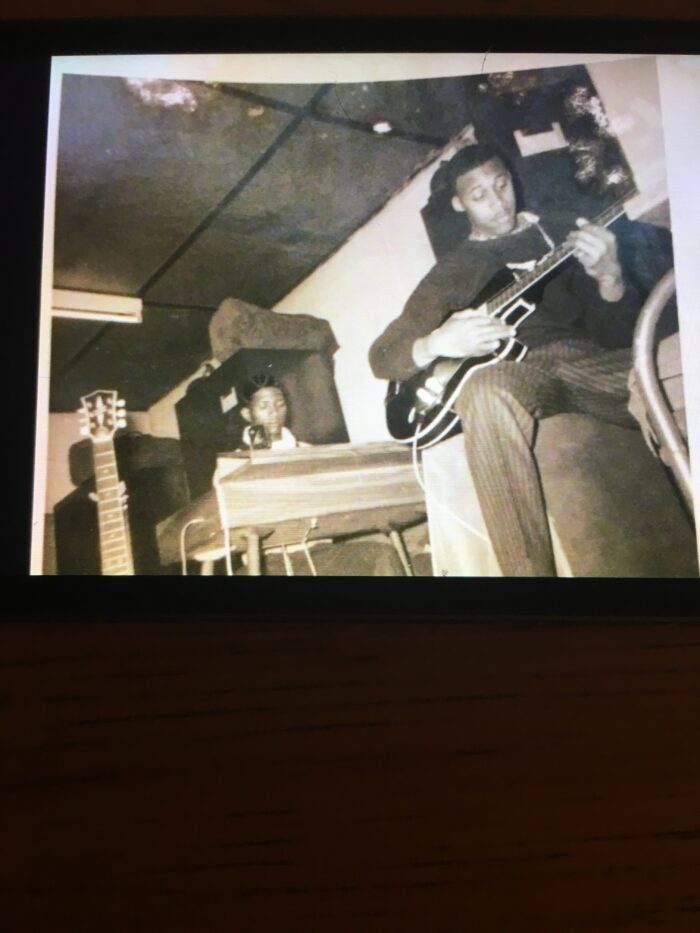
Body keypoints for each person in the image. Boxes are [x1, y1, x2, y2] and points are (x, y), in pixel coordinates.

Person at [369, 142, 665, 577]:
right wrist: (437, 343)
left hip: (592, 366)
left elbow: (620, 336)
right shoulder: (451, 272)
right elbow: (382, 356)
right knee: (484, 391)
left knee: (671, 361)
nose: (497, 202)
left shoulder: (563, 233)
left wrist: (610, 275)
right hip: (521, 375)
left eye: (501, 185)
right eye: (479, 196)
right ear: (459, 204)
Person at [238, 375, 308, 451]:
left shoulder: (308, 452)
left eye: (280, 405)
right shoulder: (234, 461)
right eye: (264, 407)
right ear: (247, 414)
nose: (274, 413)